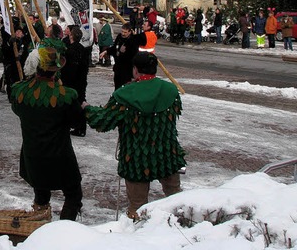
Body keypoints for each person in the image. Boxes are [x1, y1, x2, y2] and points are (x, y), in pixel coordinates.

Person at [83, 52, 186, 220]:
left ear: (136, 70)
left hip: (137, 159)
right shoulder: (170, 90)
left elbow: (102, 121)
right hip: (167, 155)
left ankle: (137, 235)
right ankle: (181, 228)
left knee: (138, 208)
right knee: (175, 200)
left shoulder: (124, 95)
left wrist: (87, 108)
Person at [11, 46, 83, 221]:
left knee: (41, 194)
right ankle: (63, 232)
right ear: (56, 71)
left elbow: (17, 109)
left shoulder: (19, 91)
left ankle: (39, 227)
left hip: (32, 154)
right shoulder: (66, 95)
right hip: (59, 156)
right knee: (73, 195)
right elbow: (77, 122)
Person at [61, 27, 89, 137]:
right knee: (79, 101)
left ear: (71, 36)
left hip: (72, 81)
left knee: (75, 103)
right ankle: (79, 126)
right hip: (80, 80)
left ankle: (79, 127)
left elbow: (69, 68)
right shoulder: (82, 49)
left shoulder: (71, 50)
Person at [101, 22, 140, 90]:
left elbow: (133, 55)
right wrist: (106, 51)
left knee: (125, 87)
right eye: (122, 31)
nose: (123, 34)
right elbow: (114, 48)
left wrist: (123, 53)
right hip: (118, 67)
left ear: (130, 32)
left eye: (125, 32)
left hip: (127, 69)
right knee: (117, 86)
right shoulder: (119, 37)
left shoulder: (133, 41)